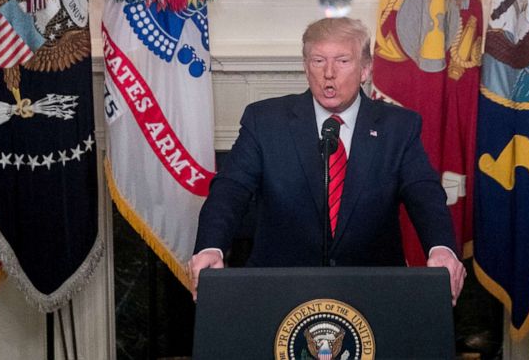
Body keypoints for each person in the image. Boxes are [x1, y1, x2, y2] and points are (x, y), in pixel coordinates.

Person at [189, 17, 466, 304]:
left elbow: (425, 193)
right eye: (318, 61)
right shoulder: (265, 120)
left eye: (343, 61)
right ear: (305, 66)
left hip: (372, 292)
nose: (329, 73)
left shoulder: (398, 127)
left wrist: (441, 248)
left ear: (366, 69)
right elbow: (230, 189)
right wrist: (211, 247)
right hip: (279, 292)